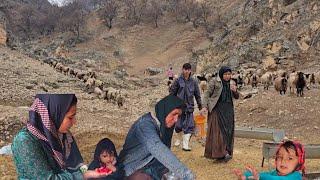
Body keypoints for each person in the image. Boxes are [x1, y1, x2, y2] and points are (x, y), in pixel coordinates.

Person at [11, 94, 108, 179]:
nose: (74, 122)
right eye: (70, 117)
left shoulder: (64, 137)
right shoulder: (25, 141)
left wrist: (92, 173)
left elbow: (78, 166)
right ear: (53, 113)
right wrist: (84, 176)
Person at [118, 95, 194, 180]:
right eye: (174, 114)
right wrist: (185, 173)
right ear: (164, 111)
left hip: (152, 168)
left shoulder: (164, 126)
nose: (176, 119)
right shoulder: (144, 125)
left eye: (178, 116)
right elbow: (158, 148)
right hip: (132, 169)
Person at [201, 66, 239, 162]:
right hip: (217, 110)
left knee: (228, 131)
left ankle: (226, 151)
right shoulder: (214, 82)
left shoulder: (231, 83)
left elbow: (237, 96)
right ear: (221, 74)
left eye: (229, 74)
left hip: (228, 111)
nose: (227, 76)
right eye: (225, 74)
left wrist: (235, 90)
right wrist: (204, 106)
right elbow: (207, 94)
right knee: (218, 132)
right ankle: (220, 153)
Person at [169, 63, 202, 151]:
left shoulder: (194, 81)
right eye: (185, 69)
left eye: (188, 70)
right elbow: (172, 93)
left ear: (190, 70)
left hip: (189, 107)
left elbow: (197, 95)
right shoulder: (178, 80)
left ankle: (185, 145)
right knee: (178, 126)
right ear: (182, 70)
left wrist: (200, 107)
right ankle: (178, 138)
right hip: (179, 107)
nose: (186, 71)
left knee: (189, 126)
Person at [233, 140, 305, 180]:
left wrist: (259, 177)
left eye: (290, 158)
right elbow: (264, 175)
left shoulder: (296, 176)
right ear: (276, 160)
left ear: (299, 163)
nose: (283, 161)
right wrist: (244, 177)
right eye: (280, 157)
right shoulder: (275, 173)